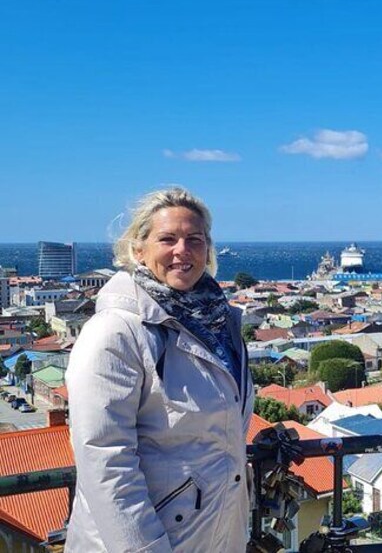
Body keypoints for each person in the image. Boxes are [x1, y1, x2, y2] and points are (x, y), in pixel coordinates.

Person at [65, 188, 254, 552]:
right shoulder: (115, 331)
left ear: (207, 249)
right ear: (139, 250)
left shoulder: (219, 323)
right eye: (167, 239)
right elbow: (105, 461)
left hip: (215, 535)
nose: (182, 250)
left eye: (194, 240)